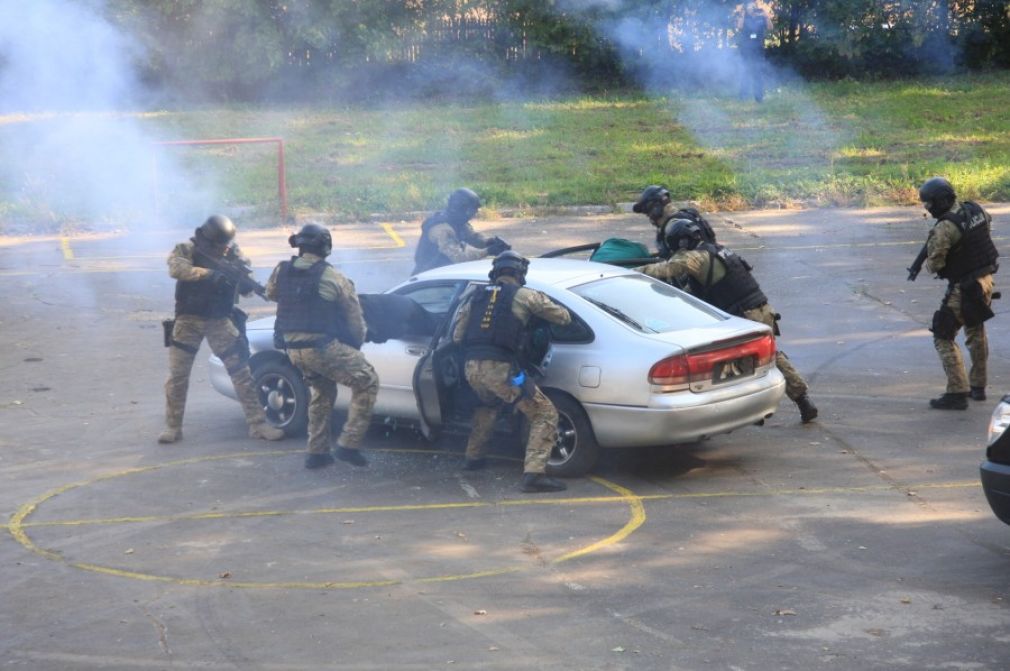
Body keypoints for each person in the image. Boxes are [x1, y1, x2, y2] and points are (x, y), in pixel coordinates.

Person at [634, 217, 819, 423]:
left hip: (745, 315)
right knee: (767, 358)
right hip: (761, 310)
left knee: (736, 363)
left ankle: (755, 409)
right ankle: (800, 400)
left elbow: (666, 270)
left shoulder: (696, 257)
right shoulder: (718, 250)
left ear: (682, 243)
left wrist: (630, 273)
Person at [451, 251, 573, 492]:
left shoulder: (473, 296)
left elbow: (456, 336)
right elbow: (564, 317)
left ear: (494, 272)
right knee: (544, 413)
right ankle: (534, 475)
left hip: (471, 369)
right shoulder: (525, 296)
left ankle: (473, 458)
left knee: (487, 406)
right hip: (502, 371)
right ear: (520, 273)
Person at [159, 215, 285, 444]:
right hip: (188, 320)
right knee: (178, 376)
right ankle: (172, 427)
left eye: (225, 243)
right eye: (220, 243)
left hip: (219, 320)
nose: (223, 247)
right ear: (208, 237)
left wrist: (245, 284)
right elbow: (176, 269)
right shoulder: (187, 249)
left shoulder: (232, 254)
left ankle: (258, 424)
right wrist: (208, 274)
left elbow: (245, 283)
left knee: (241, 372)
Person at [266, 223, 380, 468]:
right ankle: (349, 444)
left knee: (322, 392)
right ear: (325, 247)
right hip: (322, 347)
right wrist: (355, 346)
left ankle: (316, 452)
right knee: (367, 380)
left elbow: (272, 294)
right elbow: (355, 320)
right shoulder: (334, 277)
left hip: (293, 350)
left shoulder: (281, 270)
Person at [918, 177, 999, 410]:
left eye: (929, 204)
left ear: (941, 201)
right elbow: (984, 231)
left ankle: (957, 392)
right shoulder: (975, 209)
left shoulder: (945, 227)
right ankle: (978, 386)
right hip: (985, 279)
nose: (928, 208)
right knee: (976, 330)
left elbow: (934, 265)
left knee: (943, 333)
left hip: (964, 286)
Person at [412, 188, 510, 275]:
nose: (474, 214)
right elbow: (459, 257)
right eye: (472, 210)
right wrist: (488, 251)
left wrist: (489, 242)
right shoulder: (442, 229)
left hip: (445, 273)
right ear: (461, 209)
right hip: (430, 279)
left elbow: (472, 237)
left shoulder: (457, 221)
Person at [632, 185, 716, 258]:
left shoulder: (674, 227)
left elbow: (680, 265)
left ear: (655, 209)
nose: (648, 216)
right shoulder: (688, 215)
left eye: (648, 212)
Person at [737, 2, 773, 102]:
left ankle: (759, 97)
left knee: (758, 73)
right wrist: (743, 15)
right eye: (749, 6)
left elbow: (770, 27)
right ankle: (743, 97)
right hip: (746, 49)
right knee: (745, 72)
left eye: (753, 5)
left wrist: (766, 16)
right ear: (746, 8)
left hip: (758, 49)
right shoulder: (744, 17)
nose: (751, 7)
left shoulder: (761, 17)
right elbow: (739, 27)